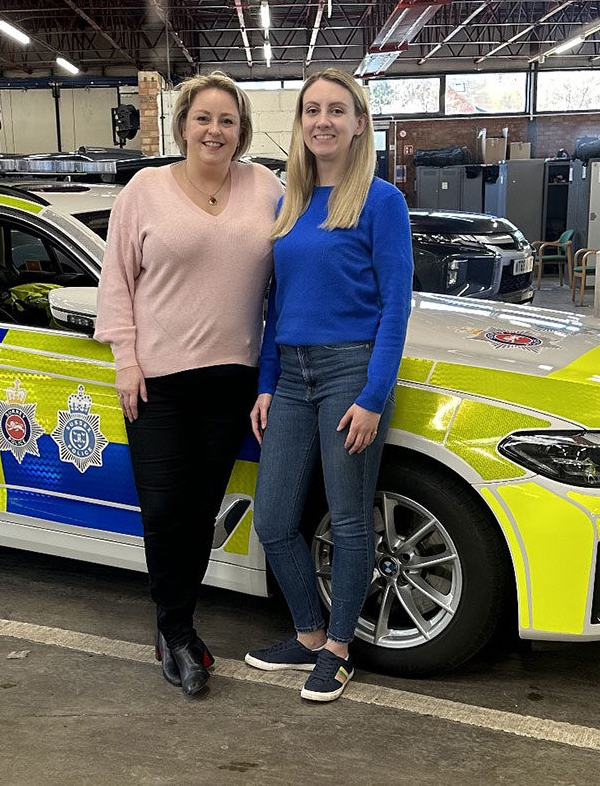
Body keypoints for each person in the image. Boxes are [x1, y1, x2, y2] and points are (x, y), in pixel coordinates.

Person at [95, 72, 282, 697]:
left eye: (227, 120)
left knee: (201, 513)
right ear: (182, 125)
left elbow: (296, 270)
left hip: (233, 381)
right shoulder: (144, 191)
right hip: (159, 385)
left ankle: (175, 625)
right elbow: (116, 282)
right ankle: (175, 629)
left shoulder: (267, 189)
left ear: (242, 131)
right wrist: (126, 359)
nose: (215, 130)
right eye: (203, 118)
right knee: (165, 512)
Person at [244, 69, 413, 703]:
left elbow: (396, 305)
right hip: (291, 375)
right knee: (275, 516)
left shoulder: (380, 201)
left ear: (359, 123)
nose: (322, 120)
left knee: (347, 520)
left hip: (350, 371)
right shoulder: (288, 201)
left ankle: (341, 650)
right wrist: (266, 383)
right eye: (312, 110)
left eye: (336, 110)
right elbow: (273, 302)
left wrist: (373, 395)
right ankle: (309, 634)